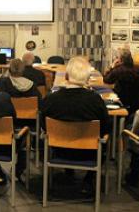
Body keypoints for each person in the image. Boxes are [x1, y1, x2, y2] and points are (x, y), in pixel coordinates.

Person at [41, 57, 110, 192]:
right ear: (88, 78)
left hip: (58, 149)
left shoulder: (51, 99)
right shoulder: (96, 100)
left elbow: (44, 125)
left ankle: (68, 172)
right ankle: (89, 179)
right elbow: (105, 128)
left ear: (66, 76)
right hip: (89, 152)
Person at [103, 47, 139, 115]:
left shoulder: (118, 70)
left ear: (120, 60)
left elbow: (106, 80)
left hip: (121, 102)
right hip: (137, 104)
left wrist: (112, 66)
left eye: (117, 57)